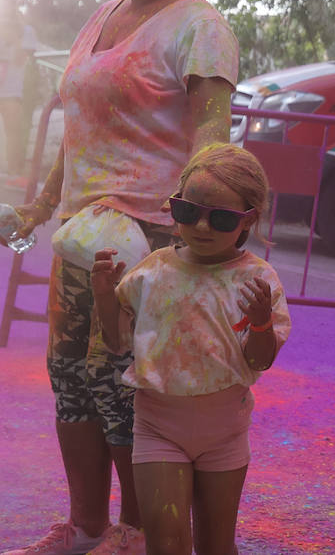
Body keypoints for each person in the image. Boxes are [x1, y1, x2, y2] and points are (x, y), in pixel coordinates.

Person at [5, 0, 239, 555]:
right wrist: (42, 205)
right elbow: (80, 131)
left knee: (124, 394)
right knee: (69, 381)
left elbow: (212, 140)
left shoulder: (201, 26)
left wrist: (193, 242)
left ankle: (138, 533)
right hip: (83, 238)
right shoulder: (103, 14)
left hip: (151, 240)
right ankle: (85, 529)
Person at [89, 144, 289, 555]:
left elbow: (259, 361)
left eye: (220, 217)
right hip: (158, 426)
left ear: (248, 219)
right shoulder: (152, 270)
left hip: (225, 432)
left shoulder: (257, 279)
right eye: (187, 212)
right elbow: (115, 343)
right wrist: (105, 297)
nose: (200, 226)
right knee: (165, 544)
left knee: (216, 546)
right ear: (173, 208)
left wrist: (262, 323)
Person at [0, 0, 39, 180]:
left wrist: (13, 37)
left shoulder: (26, 31)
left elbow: (19, 59)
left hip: (12, 92)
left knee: (13, 132)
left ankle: (13, 171)